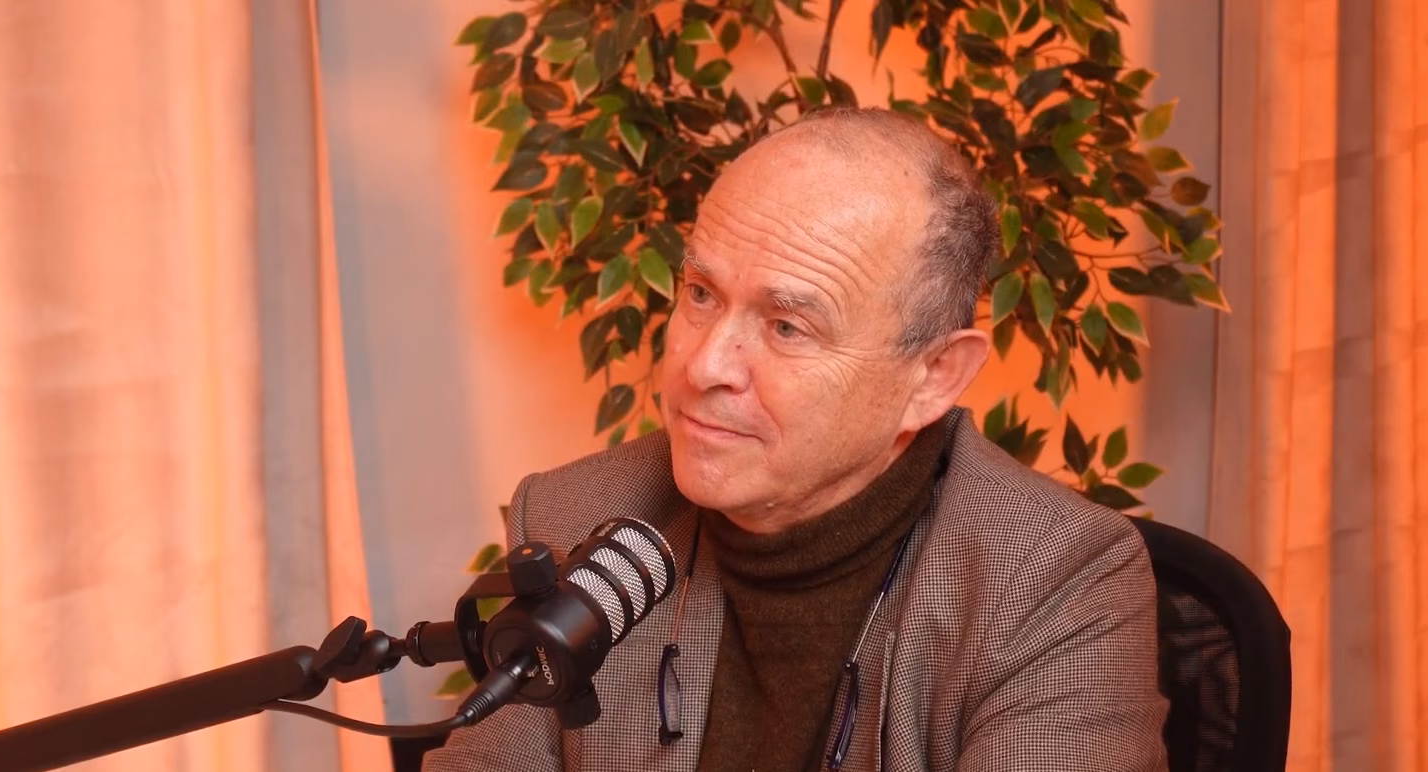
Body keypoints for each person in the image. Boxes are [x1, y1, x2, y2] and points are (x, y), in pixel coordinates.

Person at [424, 108, 1167, 772]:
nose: (703, 366)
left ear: (934, 376)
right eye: (700, 294)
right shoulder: (575, 512)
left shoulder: (1059, 582)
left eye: (787, 326)